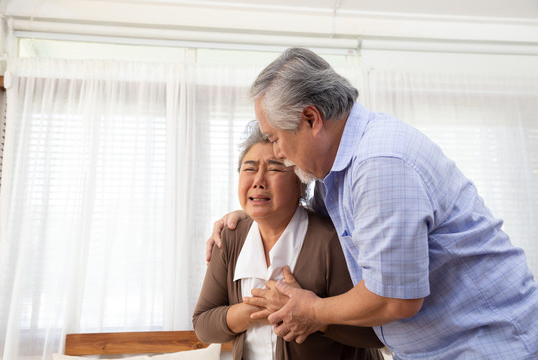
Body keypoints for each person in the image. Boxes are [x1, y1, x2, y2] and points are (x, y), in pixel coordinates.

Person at [206, 48, 538, 359]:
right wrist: (248, 216)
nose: (277, 152)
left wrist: (310, 310)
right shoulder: (334, 176)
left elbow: (397, 299)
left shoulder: (379, 164)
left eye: (276, 138)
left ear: (310, 118)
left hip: (490, 344)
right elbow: (299, 214)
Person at [193, 121, 384, 360]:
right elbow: (203, 325)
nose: (258, 181)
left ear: (301, 183)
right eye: (249, 169)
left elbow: (376, 332)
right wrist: (260, 308)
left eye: (274, 169)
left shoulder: (331, 240)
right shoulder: (230, 237)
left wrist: (316, 318)